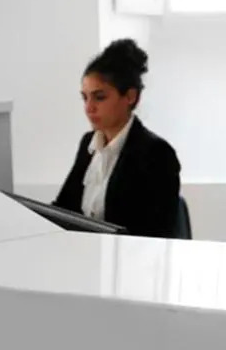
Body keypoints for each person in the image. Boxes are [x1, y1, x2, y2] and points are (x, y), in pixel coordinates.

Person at [54, 39, 181, 238]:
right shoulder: (88, 143)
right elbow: (64, 209)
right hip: (88, 253)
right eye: (85, 97)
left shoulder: (157, 154)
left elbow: (154, 234)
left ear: (130, 97)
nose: (89, 108)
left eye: (99, 97)